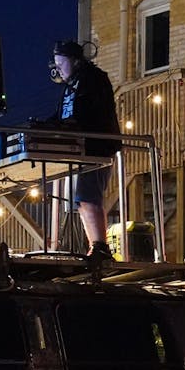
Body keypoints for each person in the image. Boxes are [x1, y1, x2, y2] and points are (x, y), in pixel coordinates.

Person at [45, 40, 122, 258]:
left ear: (75, 61)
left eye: (61, 63)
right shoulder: (71, 86)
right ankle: (95, 245)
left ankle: (100, 246)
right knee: (82, 199)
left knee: (88, 196)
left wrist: (73, 124)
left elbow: (92, 110)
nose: (58, 69)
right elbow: (62, 114)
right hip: (81, 148)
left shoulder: (94, 79)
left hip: (96, 146)